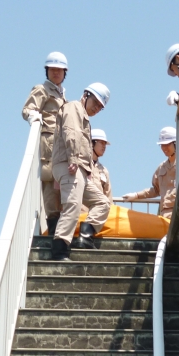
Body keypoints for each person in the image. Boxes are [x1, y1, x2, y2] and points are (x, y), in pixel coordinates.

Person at [50, 83, 112, 261]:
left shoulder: (84, 116)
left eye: (101, 107)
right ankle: (59, 250)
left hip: (80, 169)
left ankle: (85, 236)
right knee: (72, 205)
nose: (97, 108)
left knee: (102, 202)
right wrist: (73, 160)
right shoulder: (74, 107)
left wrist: (86, 169)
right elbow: (71, 133)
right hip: (70, 164)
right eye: (96, 103)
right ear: (86, 95)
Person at [22, 52, 68, 235]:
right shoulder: (42, 90)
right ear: (47, 71)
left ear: (65, 73)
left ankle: (60, 228)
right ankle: (53, 227)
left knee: (60, 185)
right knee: (50, 184)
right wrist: (35, 116)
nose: (56, 73)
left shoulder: (62, 94)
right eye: (52, 69)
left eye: (60, 70)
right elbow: (28, 109)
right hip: (48, 142)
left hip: (61, 145)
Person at [119, 126, 177, 219]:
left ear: (175, 143)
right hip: (164, 214)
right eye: (162, 145)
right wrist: (136, 195)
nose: (164, 148)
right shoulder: (161, 168)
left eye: (167, 144)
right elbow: (156, 190)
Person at [90, 128, 113, 202]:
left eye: (105, 144)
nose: (104, 146)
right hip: (81, 212)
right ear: (92, 143)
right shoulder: (80, 165)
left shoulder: (104, 170)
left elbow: (108, 196)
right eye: (102, 143)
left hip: (98, 212)